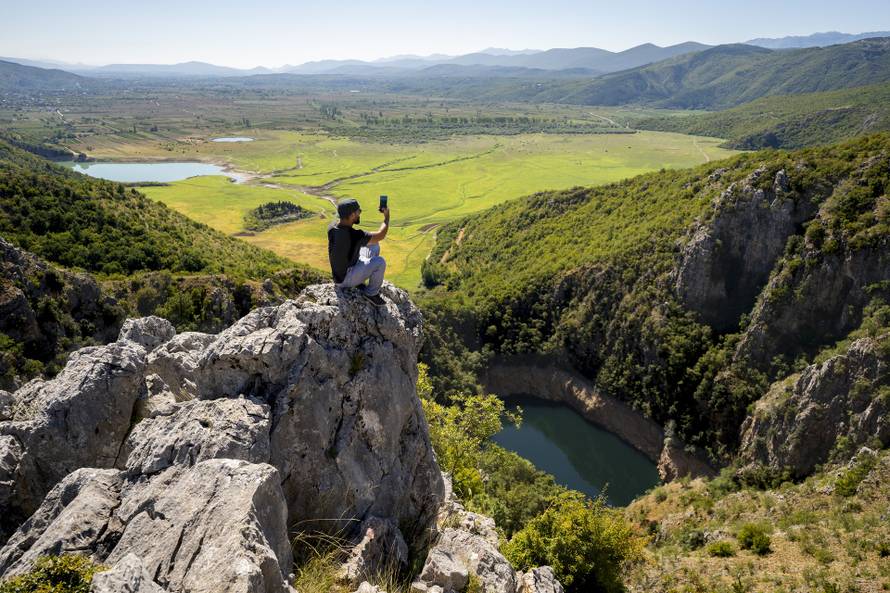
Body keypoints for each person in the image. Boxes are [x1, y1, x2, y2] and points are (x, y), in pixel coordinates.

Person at [327, 197, 390, 306]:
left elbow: (367, 239)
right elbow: (381, 235)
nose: (360, 213)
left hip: (342, 271)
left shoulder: (332, 228)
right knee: (380, 262)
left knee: (374, 246)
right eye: (358, 211)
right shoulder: (354, 236)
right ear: (352, 216)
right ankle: (371, 293)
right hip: (345, 279)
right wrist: (386, 217)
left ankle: (359, 280)